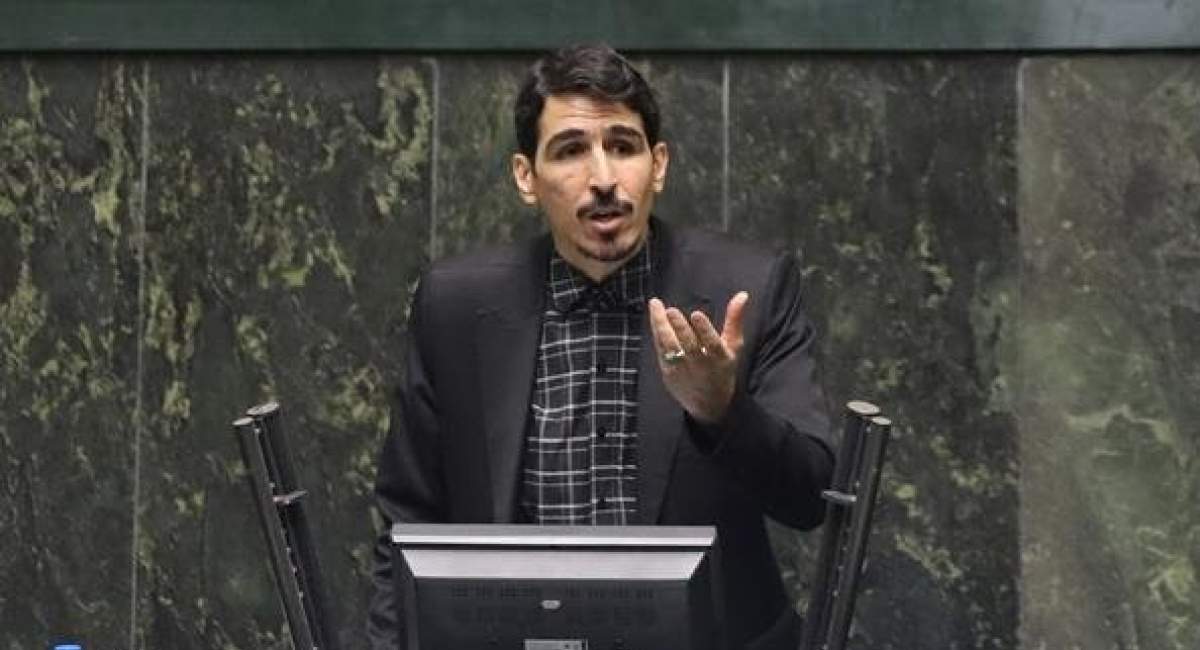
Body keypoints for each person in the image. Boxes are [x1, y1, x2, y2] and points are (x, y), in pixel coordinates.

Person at [369, 44, 835, 650]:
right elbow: (406, 525)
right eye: (570, 150)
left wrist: (724, 413)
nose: (605, 180)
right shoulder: (455, 306)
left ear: (658, 164)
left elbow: (812, 498)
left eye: (623, 146)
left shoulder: (748, 290)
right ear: (526, 177)